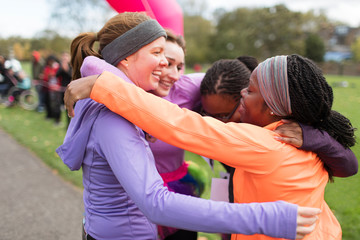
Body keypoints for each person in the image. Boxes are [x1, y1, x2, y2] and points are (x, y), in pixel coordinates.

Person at [56, 13, 320, 240]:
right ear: (125, 59)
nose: (165, 63)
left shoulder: (128, 102)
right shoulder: (113, 118)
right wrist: (270, 217)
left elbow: (232, 78)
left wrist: (310, 130)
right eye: (157, 53)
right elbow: (156, 203)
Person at [56, 52, 72, 127]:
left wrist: (66, 69)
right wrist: (62, 68)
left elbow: (71, 75)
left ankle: (71, 124)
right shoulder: (61, 66)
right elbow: (57, 75)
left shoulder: (72, 66)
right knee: (63, 106)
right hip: (62, 89)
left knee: (72, 107)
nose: (65, 59)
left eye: (66, 57)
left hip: (71, 89)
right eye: (63, 57)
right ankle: (65, 123)